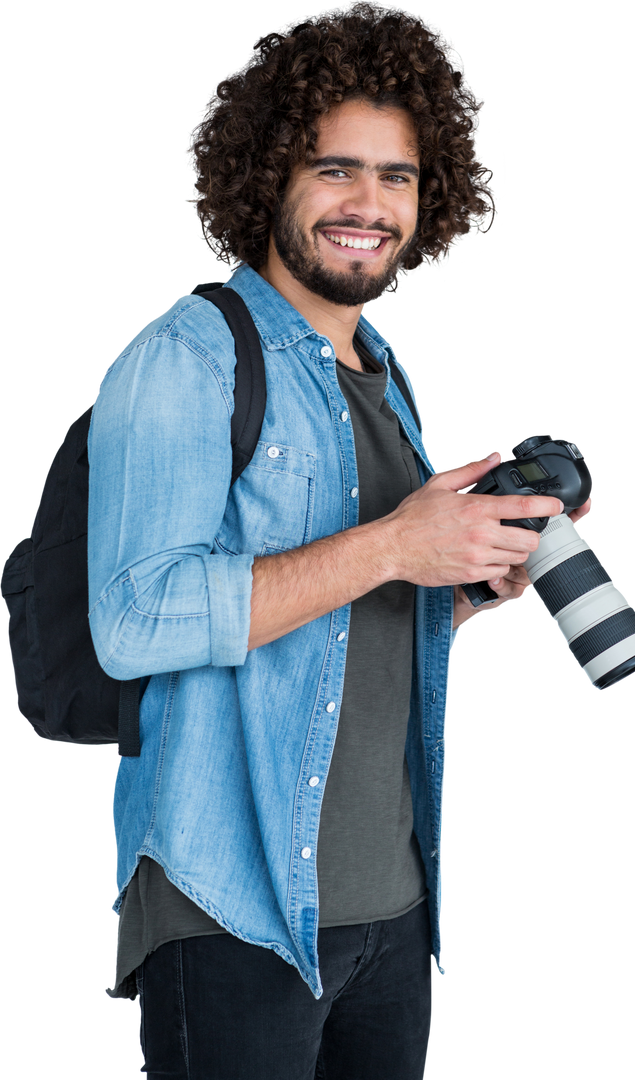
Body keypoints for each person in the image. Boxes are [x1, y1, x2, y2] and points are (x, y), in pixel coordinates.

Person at [95, 3, 593, 1077]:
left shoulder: (381, 368)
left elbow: (344, 627)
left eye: (397, 176)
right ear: (265, 173)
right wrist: (390, 546)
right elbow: (133, 620)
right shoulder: (184, 357)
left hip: (396, 906)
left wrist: (461, 584)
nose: (368, 204)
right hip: (235, 906)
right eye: (333, 169)